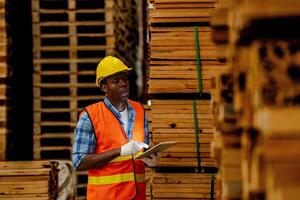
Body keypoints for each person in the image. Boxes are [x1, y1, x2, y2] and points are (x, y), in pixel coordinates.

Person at [72, 56, 157, 200]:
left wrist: (151, 159)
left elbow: (141, 150)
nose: (123, 83)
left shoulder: (139, 110)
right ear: (104, 87)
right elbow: (79, 161)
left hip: (138, 196)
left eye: (125, 79)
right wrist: (120, 151)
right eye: (116, 81)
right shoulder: (90, 116)